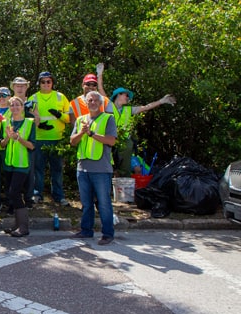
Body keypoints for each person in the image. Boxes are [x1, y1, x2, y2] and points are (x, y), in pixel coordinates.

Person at [96, 62, 176, 176]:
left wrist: (162, 101)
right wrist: (100, 74)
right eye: (126, 95)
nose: (127, 98)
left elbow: (146, 107)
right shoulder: (109, 105)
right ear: (119, 95)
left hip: (123, 141)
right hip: (109, 138)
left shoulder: (129, 110)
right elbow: (101, 90)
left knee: (128, 148)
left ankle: (124, 176)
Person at [70, 91, 118, 245]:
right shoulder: (80, 120)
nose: (93, 103)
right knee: (86, 203)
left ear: (101, 103)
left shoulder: (108, 118)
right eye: (90, 100)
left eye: (96, 100)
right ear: (86, 102)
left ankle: (107, 234)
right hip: (83, 168)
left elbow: (111, 141)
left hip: (101, 169)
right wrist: (82, 133)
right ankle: (86, 230)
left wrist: (91, 134)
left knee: (104, 203)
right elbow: (72, 141)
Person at [28, 71, 71, 205]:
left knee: (57, 169)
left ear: (52, 82)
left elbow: (69, 118)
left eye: (49, 81)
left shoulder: (61, 97)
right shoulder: (33, 98)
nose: (46, 84)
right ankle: (37, 194)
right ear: (39, 83)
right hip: (39, 138)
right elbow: (28, 118)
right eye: (43, 82)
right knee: (38, 169)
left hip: (57, 139)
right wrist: (39, 124)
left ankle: (58, 196)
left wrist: (59, 115)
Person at [0, 96, 36, 237]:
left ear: (22, 107)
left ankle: (23, 227)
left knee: (14, 193)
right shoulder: (6, 122)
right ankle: (17, 224)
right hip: (9, 164)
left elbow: (32, 146)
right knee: (11, 194)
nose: (14, 108)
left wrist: (18, 138)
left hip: (22, 164)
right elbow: (2, 144)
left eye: (17, 105)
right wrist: (8, 137)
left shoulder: (29, 122)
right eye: (12, 105)